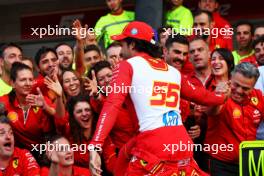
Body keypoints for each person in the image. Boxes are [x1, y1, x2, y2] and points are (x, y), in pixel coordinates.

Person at [89, 21, 228, 176]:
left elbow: (113, 103)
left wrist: (95, 145)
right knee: (123, 156)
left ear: (133, 45)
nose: (121, 49)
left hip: (153, 146)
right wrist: (221, 96)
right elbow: (203, 96)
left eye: (123, 44)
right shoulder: (172, 71)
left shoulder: (126, 65)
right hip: (181, 145)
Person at [206, 62, 263, 175]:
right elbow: (211, 112)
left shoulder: (258, 96)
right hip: (220, 163)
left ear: (253, 86)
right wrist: (218, 96)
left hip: (249, 163)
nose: (239, 91)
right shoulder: (221, 92)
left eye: (245, 88)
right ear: (231, 78)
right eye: (236, 85)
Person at [0, 62, 55, 153]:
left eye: (31, 79)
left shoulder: (41, 100)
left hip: (44, 151)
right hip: (17, 152)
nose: (28, 83)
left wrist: (45, 107)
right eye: (23, 80)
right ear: (12, 83)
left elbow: (61, 117)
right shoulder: (4, 102)